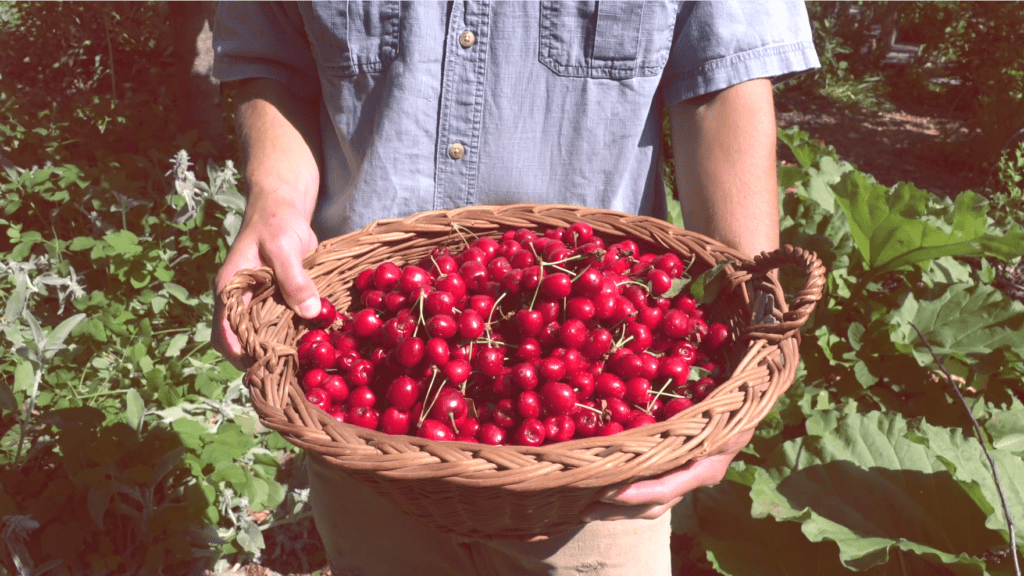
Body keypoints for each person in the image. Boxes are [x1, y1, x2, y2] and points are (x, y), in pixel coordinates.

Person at [211, 2, 819, 575]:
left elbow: (723, 79)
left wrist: (746, 344)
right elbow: (273, 61)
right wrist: (276, 201)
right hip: (361, 409)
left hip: (600, 467)